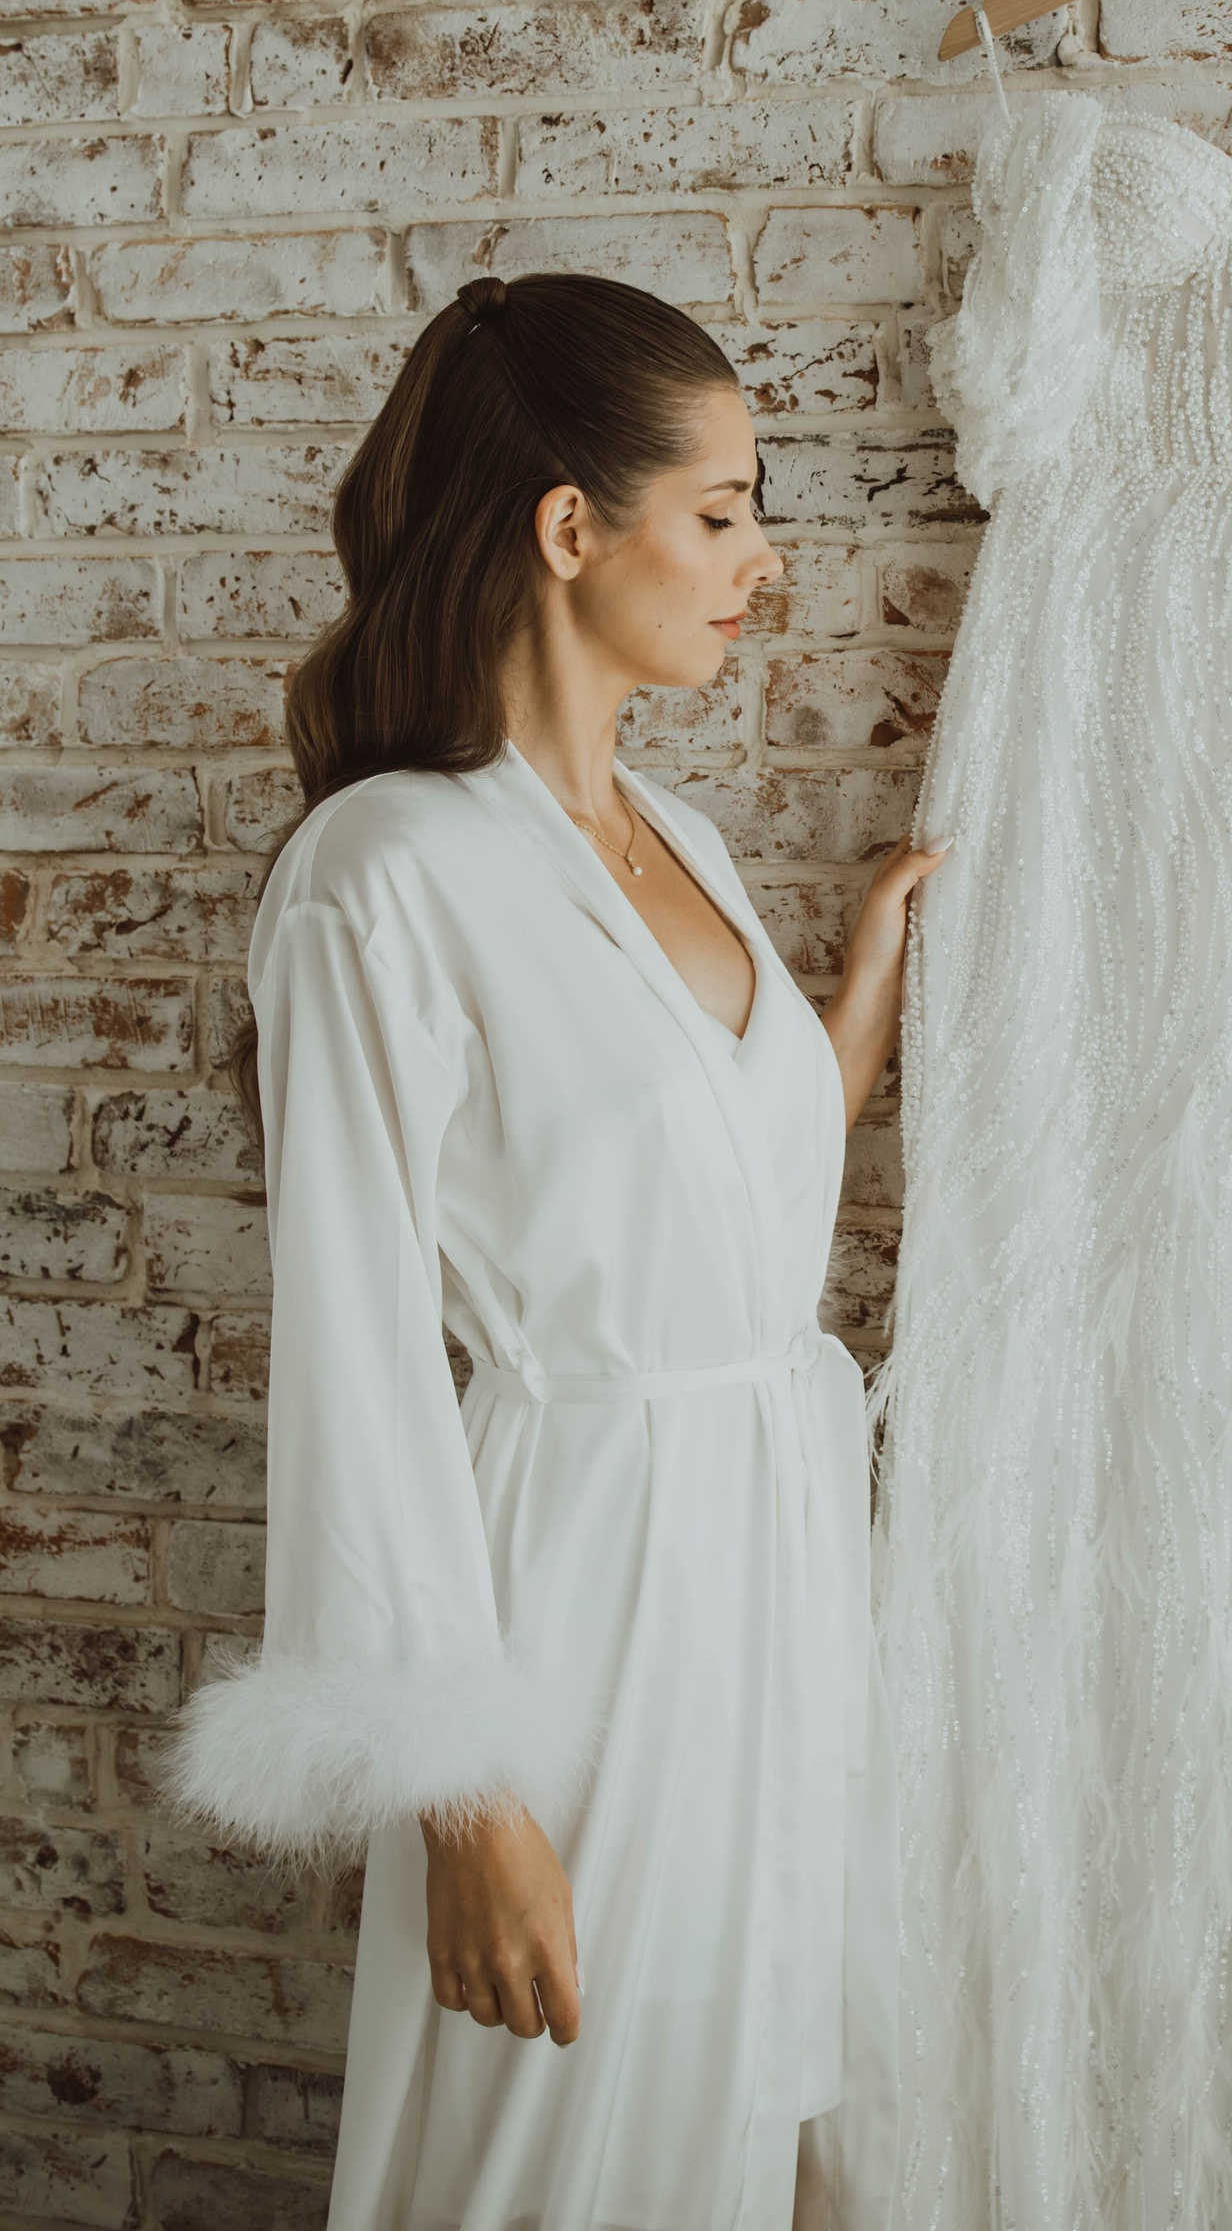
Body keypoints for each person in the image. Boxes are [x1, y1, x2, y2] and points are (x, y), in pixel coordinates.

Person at [167, 272, 944, 2231]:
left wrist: (856, 994)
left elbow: (717, 1193)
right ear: (569, 525)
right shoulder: (380, 877)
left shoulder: (678, 835)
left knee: (762, 2106)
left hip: (781, 1580)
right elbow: (358, 1358)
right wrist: (469, 1800)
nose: (765, 559)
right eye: (724, 510)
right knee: (563, 2145)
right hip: (584, 1600)